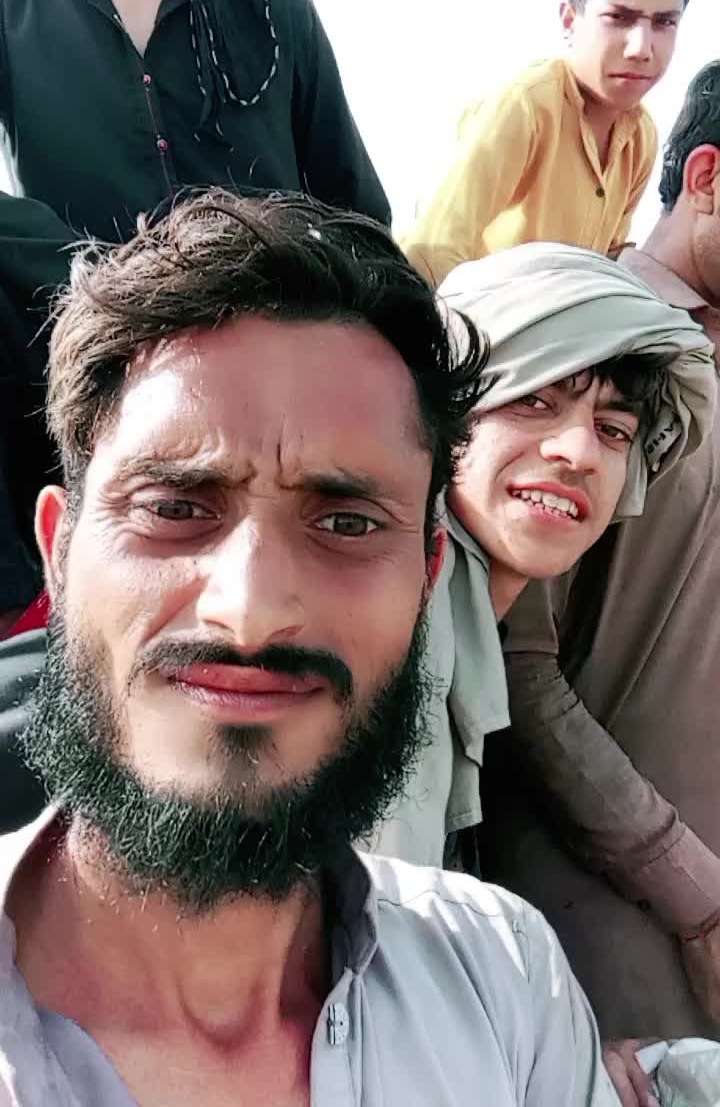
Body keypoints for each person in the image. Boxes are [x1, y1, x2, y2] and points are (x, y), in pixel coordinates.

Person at [0, 190, 619, 1105]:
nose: (250, 616)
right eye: (175, 507)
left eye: (345, 522)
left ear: (426, 577)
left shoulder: (508, 985)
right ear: (59, 552)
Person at [0, 0, 389, 633]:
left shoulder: (277, 12)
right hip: (89, 401)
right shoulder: (8, 8)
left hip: (279, 419)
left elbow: (363, 228)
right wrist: (103, 282)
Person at [478, 63, 720, 1083]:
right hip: (606, 923)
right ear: (707, 176)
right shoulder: (573, 335)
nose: (587, 438)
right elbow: (510, 660)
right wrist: (694, 892)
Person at [369, 244, 715, 869]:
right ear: (449, 409)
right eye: (533, 400)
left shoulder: (459, 638)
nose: (579, 452)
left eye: (614, 430)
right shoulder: (388, 643)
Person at [403, 0, 697, 287]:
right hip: (472, 316)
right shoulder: (524, 107)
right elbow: (429, 252)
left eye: (664, 23)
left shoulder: (640, 137)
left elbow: (606, 264)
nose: (641, 47)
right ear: (570, 21)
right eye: (619, 18)